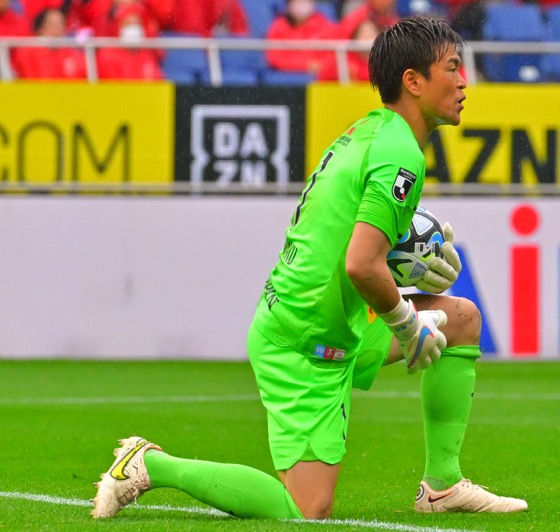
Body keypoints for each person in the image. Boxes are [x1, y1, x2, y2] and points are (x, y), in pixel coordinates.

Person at [91, 16, 528, 520]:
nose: (463, 80)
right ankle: (149, 464)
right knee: (305, 510)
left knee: (462, 319)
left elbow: (344, 236)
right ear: (413, 81)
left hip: (339, 320)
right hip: (306, 338)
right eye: (452, 68)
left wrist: (407, 251)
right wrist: (408, 326)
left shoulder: (372, 132)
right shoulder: (399, 153)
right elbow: (362, 264)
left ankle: (443, 485)